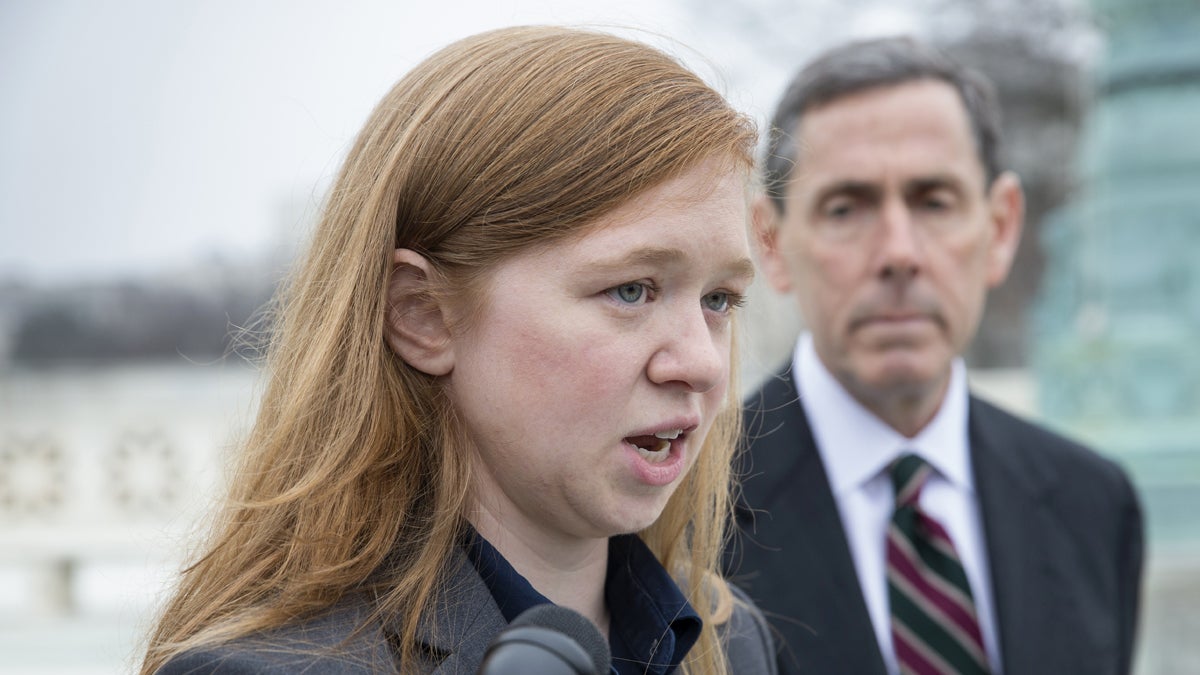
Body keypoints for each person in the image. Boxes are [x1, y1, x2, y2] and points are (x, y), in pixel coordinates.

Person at [142, 25, 778, 675]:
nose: (702, 365)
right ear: (423, 314)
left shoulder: (727, 643)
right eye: (630, 290)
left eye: (719, 300)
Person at [725, 36, 1143, 675]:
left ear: (1000, 227)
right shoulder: (688, 517)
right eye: (846, 208)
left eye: (933, 201)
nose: (899, 252)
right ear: (773, 243)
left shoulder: (1094, 504)